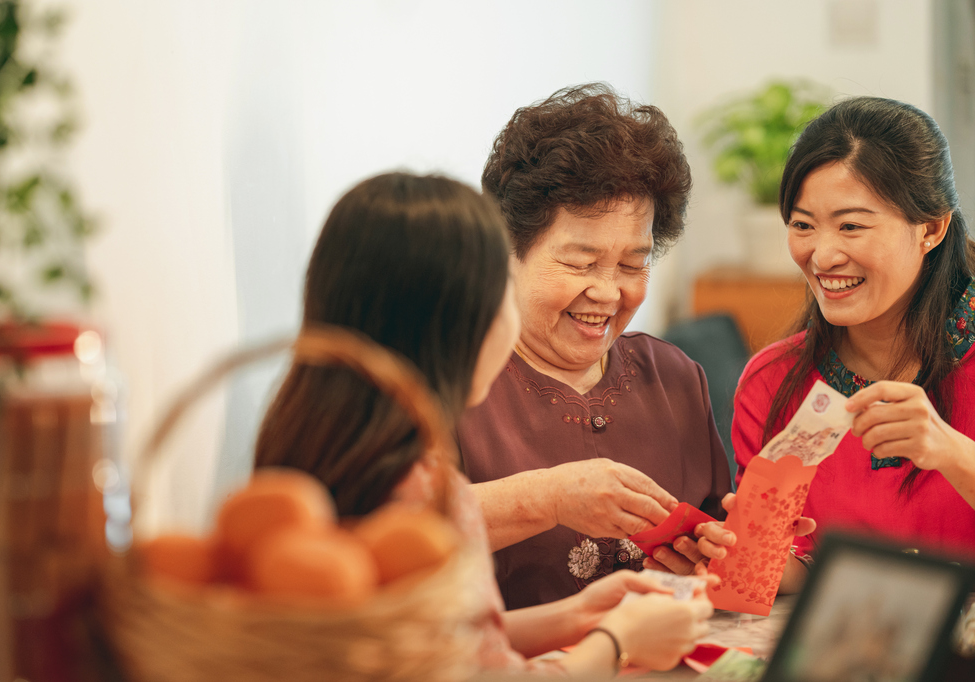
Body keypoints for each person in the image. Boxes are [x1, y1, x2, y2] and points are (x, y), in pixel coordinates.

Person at [255, 172, 713, 675]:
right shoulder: (420, 491)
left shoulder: (318, 444)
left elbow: (451, 644)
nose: (606, 291)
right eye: (499, 293)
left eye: (632, 262)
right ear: (451, 323)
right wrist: (617, 641)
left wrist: (580, 615)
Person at [456, 83, 733, 610]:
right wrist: (547, 498)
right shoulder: (451, 379)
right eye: (580, 264)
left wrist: (713, 556)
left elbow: (712, 544)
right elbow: (391, 537)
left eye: (633, 264)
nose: (608, 293)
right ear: (506, 249)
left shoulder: (675, 377)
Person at [725, 96, 975, 594]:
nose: (822, 254)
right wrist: (741, 558)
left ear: (931, 228)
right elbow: (764, 577)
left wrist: (949, 451)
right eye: (802, 225)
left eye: (852, 226)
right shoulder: (771, 382)